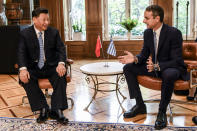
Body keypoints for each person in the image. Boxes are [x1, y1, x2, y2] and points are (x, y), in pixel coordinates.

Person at [118, 5, 189, 130]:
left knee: (169, 74)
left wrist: (157, 66)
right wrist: (135, 59)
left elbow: (177, 60)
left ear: (157, 18)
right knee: (128, 68)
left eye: (146, 18)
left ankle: (161, 112)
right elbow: (144, 54)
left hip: (170, 67)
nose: (143, 21)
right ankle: (140, 106)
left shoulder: (174, 33)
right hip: (154, 67)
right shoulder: (147, 33)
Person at [17, 7, 69, 124]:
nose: (47, 22)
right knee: (26, 79)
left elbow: (61, 50)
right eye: (44, 19)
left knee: (61, 75)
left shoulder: (54, 32)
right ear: (34, 20)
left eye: (48, 19)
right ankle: (43, 108)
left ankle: (57, 110)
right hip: (33, 68)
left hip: (51, 67)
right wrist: (23, 69)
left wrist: (61, 64)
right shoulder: (24, 34)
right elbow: (21, 53)